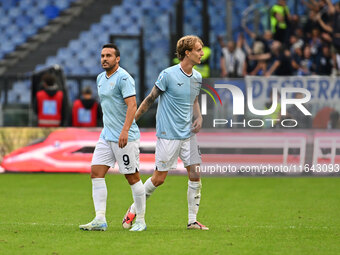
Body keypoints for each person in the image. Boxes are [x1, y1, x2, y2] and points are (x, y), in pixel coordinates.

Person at [122, 35, 209, 230]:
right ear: (187, 53)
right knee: (159, 179)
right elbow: (149, 99)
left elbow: (194, 101)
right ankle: (133, 210)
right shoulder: (168, 75)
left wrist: (199, 117)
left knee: (195, 174)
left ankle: (192, 220)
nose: (202, 53)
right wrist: (130, 123)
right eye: (198, 49)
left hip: (188, 135)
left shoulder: (197, 77)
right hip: (168, 135)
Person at [79, 44, 146, 232]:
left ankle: (140, 220)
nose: (104, 58)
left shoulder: (124, 78)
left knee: (132, 177)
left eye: (109, 55)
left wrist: (124, 131)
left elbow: (132, 106)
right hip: (106, 134)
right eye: (102, 55)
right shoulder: (100, 78)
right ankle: (100, 219)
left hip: (125, 136)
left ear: (117, 59)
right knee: (96, 173)